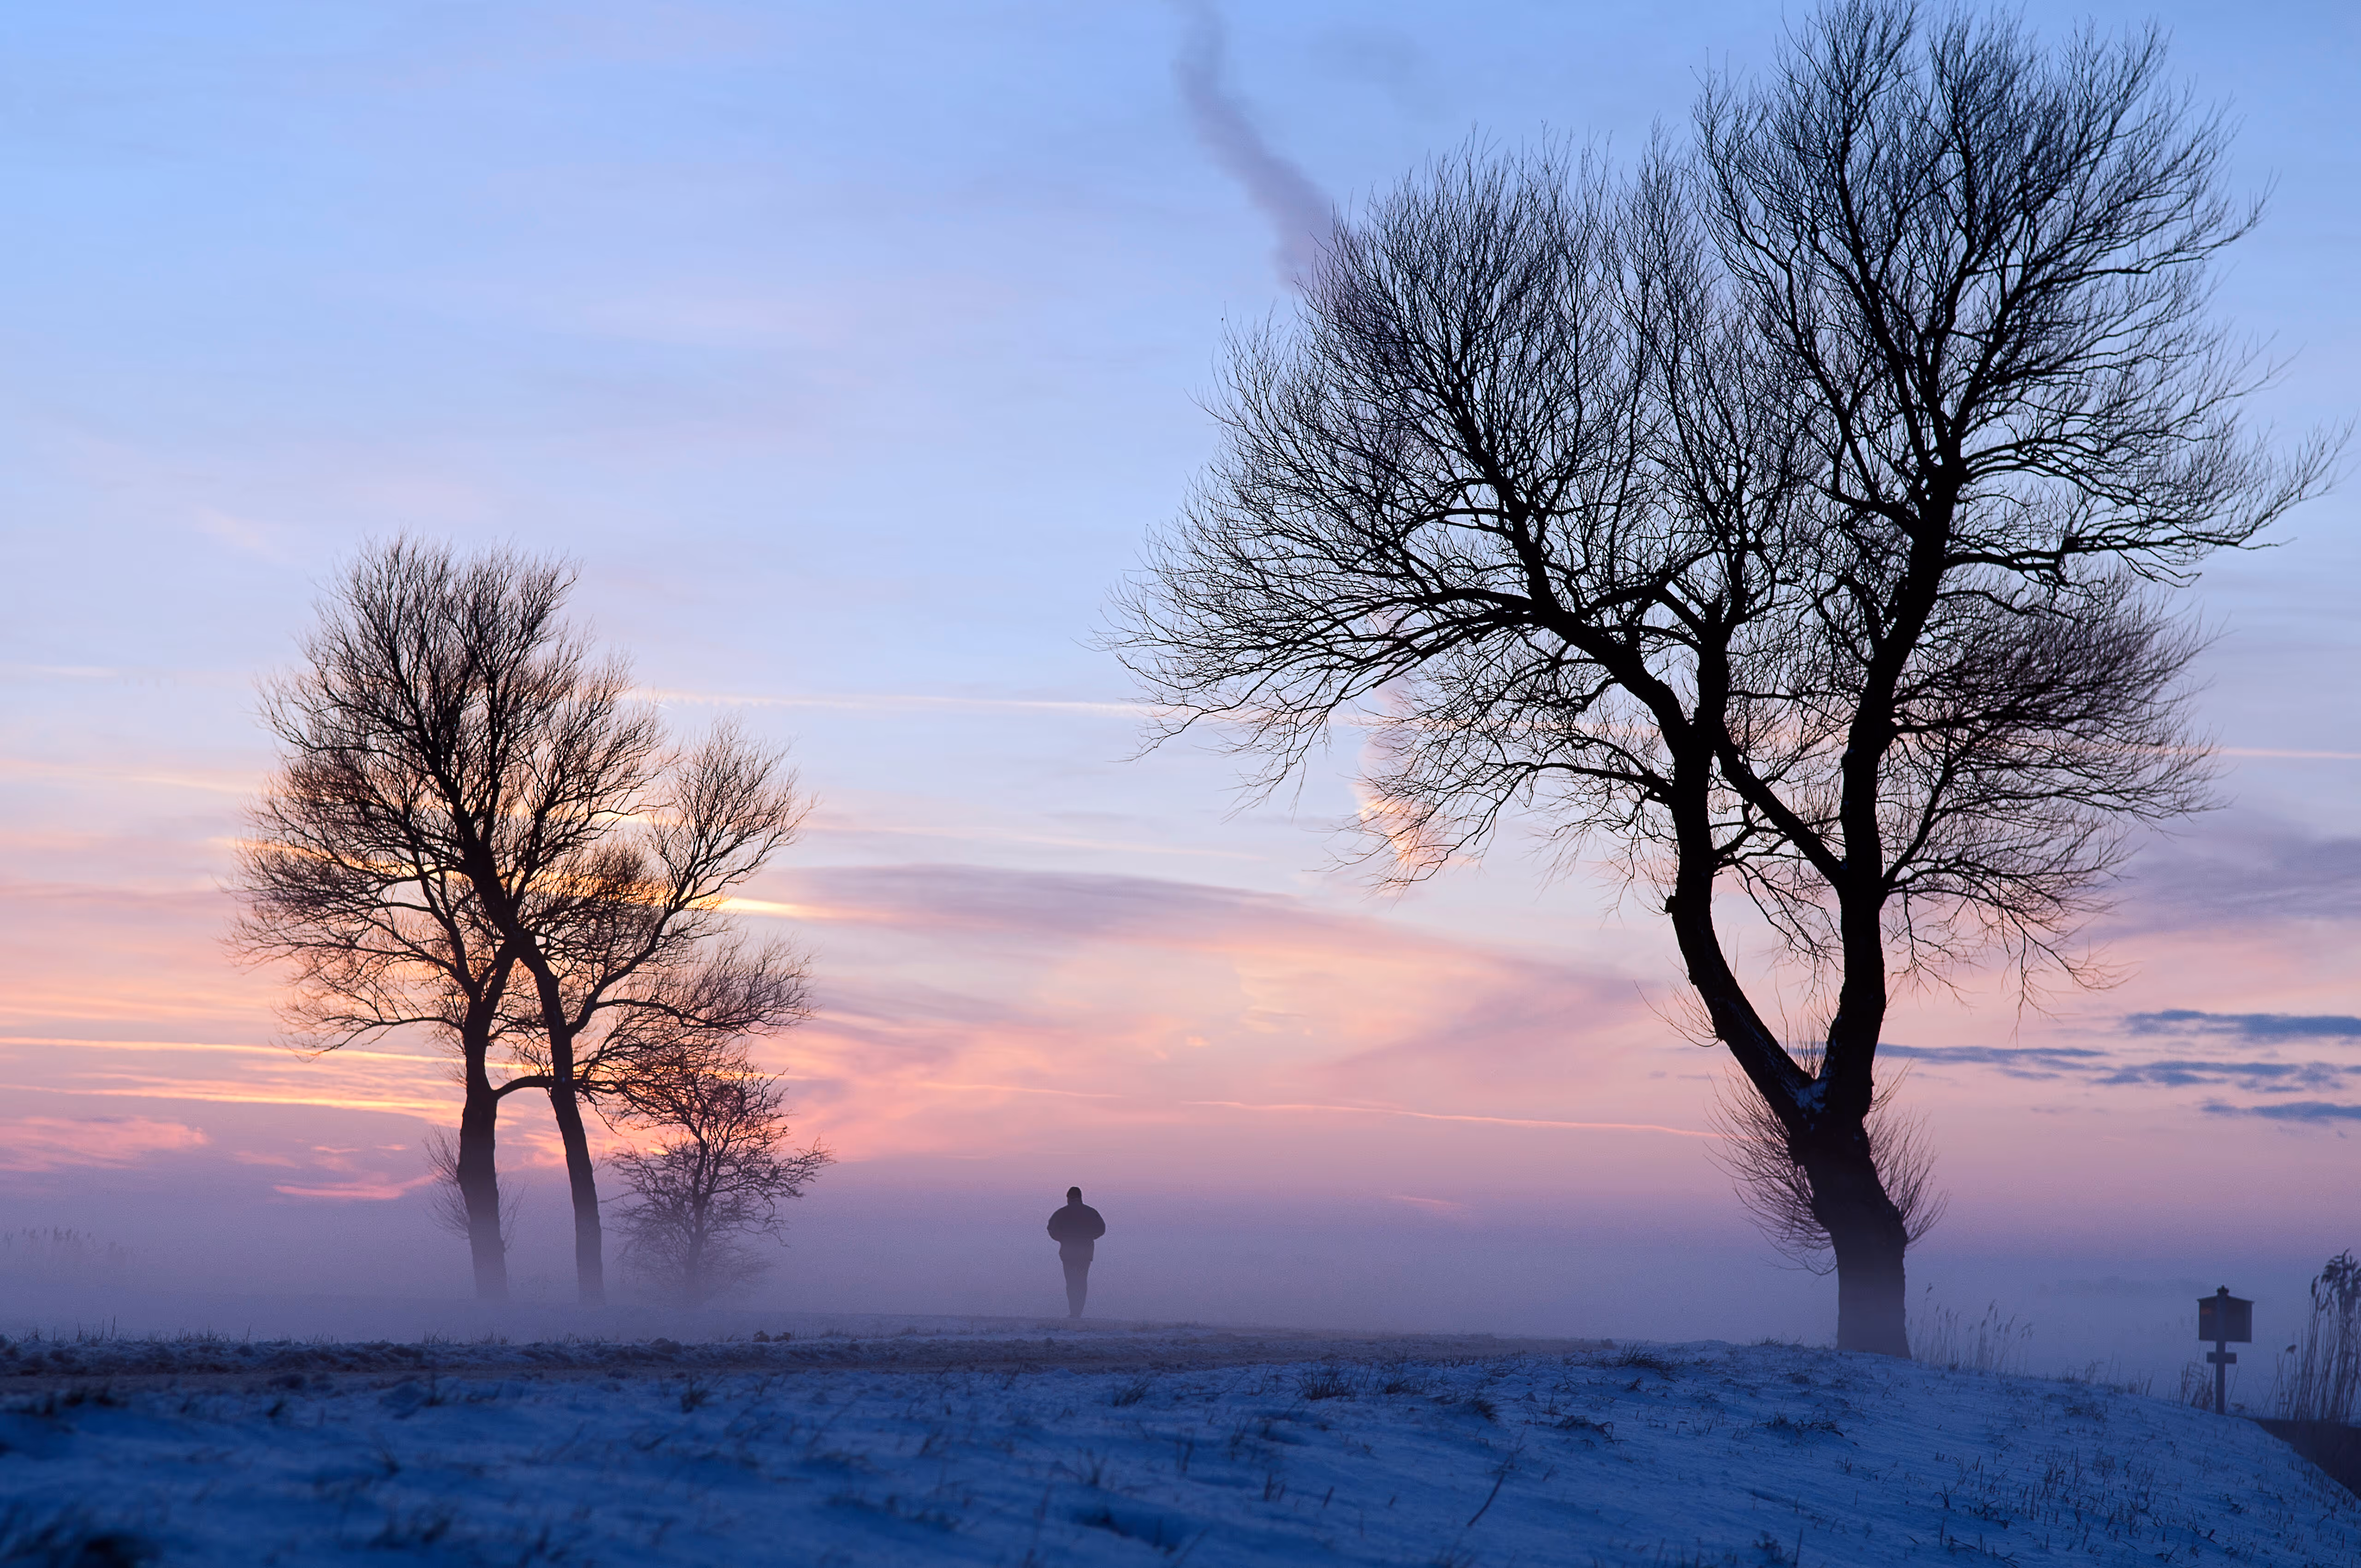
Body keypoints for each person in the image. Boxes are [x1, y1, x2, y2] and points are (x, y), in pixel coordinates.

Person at [1045, 1186, 1106, 1319]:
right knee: (1082, 1282)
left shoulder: (1061, 1213)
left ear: (1068, 1198)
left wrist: (1062, 1239)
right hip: (1085, 1252)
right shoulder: (1091, 1212)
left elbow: (1051, 1228)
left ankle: (1074, 1311)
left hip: (1068, 1253)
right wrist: (1089, 1237)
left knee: (1071, 1282)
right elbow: (1102, 1229)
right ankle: (1078, 1311)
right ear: (1080, 1197)